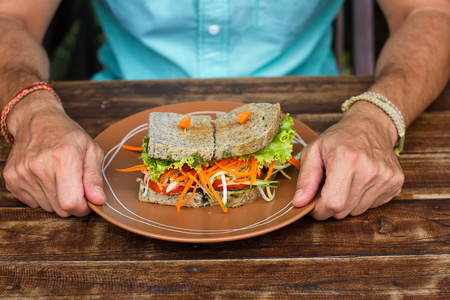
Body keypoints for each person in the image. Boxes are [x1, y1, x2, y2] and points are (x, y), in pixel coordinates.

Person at [0, 1, 449, 219]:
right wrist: (32, 110)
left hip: (326, 137)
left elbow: (429, 12)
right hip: (107, 144)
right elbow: (11, 17)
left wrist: (374, 118)